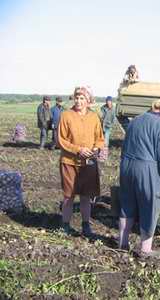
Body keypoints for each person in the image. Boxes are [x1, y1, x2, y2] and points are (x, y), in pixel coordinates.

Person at [118, 99, 160, 257]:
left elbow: (124, 148)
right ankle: (145, 249)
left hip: (126, 166)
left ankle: (122, 244)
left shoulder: (135, 121)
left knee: (127, 206)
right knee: (150, 206)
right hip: (146, 169)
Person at [57, 86, 105, 236]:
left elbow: (100, 138)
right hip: (69, 162)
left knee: (86, 196)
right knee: (68, 196)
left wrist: (96, 148)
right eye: (77, 98)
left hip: (88, 164)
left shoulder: (94, 117)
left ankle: (86, 226)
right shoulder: (66, 115)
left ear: (88, 100)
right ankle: (65, 226)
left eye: (82, 98)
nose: (78, 101)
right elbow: (60, 140)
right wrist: (78, 149)